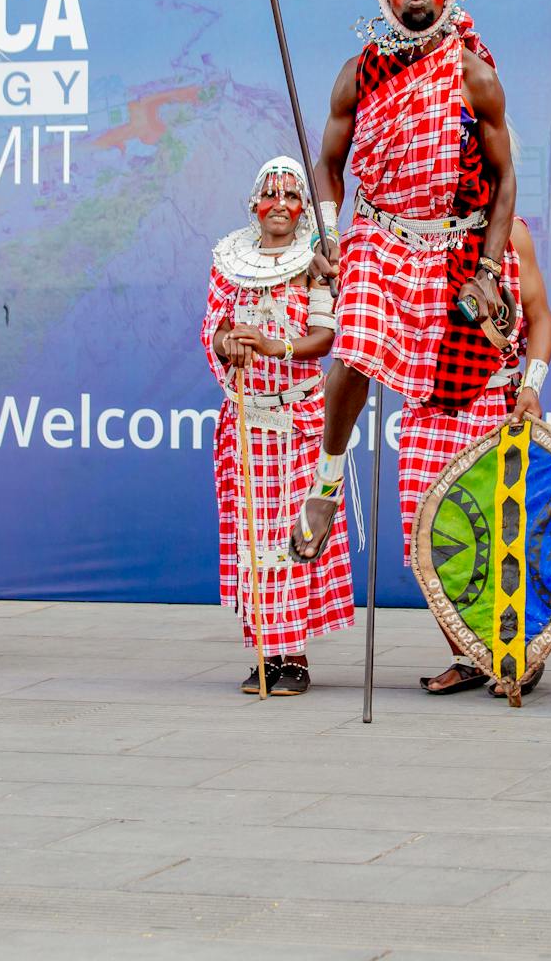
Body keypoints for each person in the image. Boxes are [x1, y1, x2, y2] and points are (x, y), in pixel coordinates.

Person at [294, 0, 517, 562]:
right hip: (380, 241)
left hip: (453, 248)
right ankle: (327, 482)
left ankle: (466, 543)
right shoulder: (359, 74)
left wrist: (488, 267)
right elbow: (328, 164)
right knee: (353, 353)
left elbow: (504, 174)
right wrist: (329, 237)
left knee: (456, 387)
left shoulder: (474, 73)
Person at [204, 157, 351, 696]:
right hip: (247, 416)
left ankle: (296, 658)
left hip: (299, 421)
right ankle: (267, 653)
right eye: (272, 196)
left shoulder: (314, 262)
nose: (283, 205)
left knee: (292, 538)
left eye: (293, 197)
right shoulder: (229, 261)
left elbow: (322, 338)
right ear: (254, 205)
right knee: (253, 539)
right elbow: (213, 326)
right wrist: (230, 344)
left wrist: (273, 345)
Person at [401, 217, 551, 698]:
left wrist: (531, 387)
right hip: (426, 407)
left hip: (493, 401)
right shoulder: (406, 230)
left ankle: (519, 654)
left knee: (503, 532)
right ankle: (467, 654)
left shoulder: (512, 235)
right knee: (431, 539)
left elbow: (540, 317)